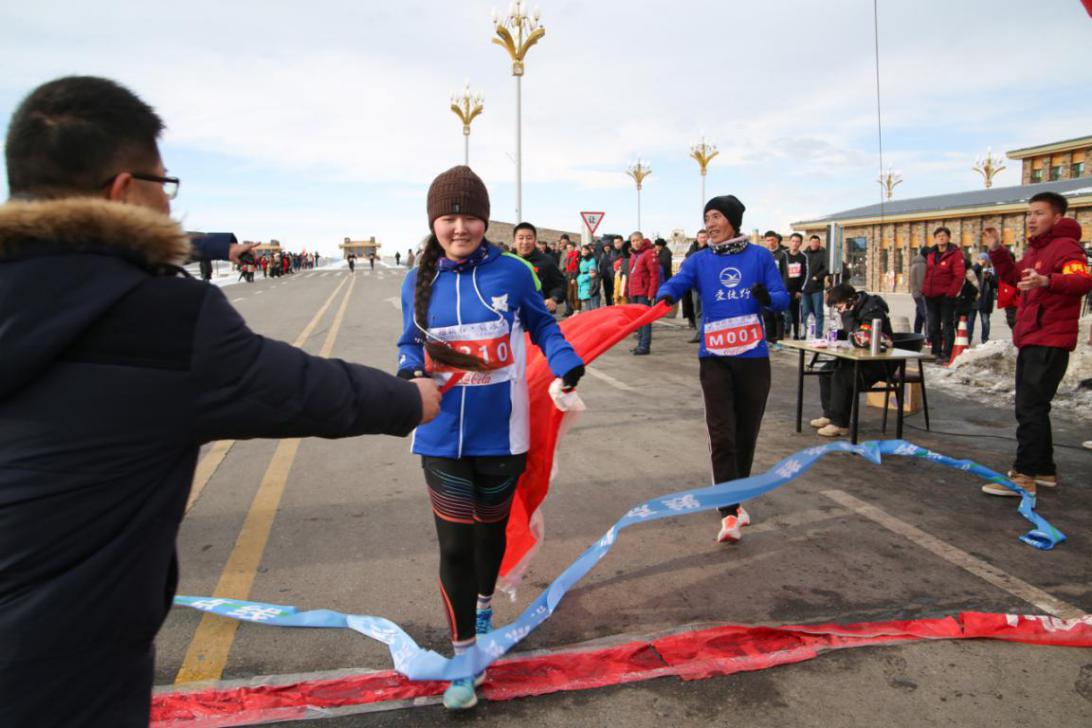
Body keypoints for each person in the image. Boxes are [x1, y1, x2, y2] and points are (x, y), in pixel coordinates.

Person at [0, 75, 441, 728]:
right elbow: (306, 391)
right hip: (65, 665)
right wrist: (412, 400)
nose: (171, 208)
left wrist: (214, 245)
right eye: (165, 186)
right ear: (126, 191)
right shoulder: (160, 319)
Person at [397, 165, 584, 710]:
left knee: (489, 536)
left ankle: (483, 602)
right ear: (434, 222)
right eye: (448, 217)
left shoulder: (512, 272)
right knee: (454, 545)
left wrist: (566, 360)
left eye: (470, 216)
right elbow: (410, 342)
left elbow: (545, 326)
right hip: (439, 436)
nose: (460, 227)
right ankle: (464, 656)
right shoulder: (419, 278)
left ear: (484, 219)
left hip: (502, 437)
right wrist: (409, 371)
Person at [655, 195, 788, 543]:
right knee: (722, 433)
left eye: (716, 216)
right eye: (706, 217)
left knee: (746, 435)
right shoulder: (699, 260)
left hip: (753, 359)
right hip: (714, 358)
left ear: (732, 220)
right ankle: (728, 513)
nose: (710, 223)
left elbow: (782, 298)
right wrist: (665, 295)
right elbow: (678, 281)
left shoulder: (760, 256)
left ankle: (734, 498)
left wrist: (766, 298)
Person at [982, 192, 1092, 496]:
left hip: (1050, 338)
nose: (1031, 219)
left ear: (1057, 217)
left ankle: (1024, 476)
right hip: (1032, 336)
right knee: (1033, 407)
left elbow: (1083, 281)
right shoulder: (1036, 249)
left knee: (1029, 407)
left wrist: (1047, 280)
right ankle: (1043, 470)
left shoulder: (1066, 248)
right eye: (1029, 213)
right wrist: (997, 250)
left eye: (1039, 213)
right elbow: (1014, 276)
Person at [810, 283, 895, 438]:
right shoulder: (855, 308)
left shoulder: (872, 310)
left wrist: (848, 319)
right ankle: (829, 415)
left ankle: (839, 424)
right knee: (826, 371)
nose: (839, 311)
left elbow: (862, 338)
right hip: (859, 359)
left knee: (842, 377)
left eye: (839, 307)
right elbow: (852, 332)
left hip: (878, 363)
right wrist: (836, 334)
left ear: (850, 301)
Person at [922, 227, 964, 362]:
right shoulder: (931, 253)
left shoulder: (955, 254)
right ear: (935, 238)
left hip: (946, 296)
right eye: (938, 235)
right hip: (931, 295)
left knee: (947, 324)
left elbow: (959, 276)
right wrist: (924, 289)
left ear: (949, 238)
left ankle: (947, 353)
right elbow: (928, 273)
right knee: (933, 324)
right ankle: (936, 351)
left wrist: (950, 293)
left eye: (944, 235)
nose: (941, 238)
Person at [512, 222, 566, 313]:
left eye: (529, 238)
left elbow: (560, 284)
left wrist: (553, 299)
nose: (525, 242)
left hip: (539, 313)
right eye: (521, 238)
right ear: (514, 241)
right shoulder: (506, 260)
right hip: (512, 315)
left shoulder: (546, 261)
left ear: (535, 240)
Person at [627, 233, 660, 355]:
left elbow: (654, 275)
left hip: (644, 292)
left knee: (645, 320)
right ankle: (640, 344)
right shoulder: (634, 255)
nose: (635, 243)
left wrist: (651, 293)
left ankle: (644, 346)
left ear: (642, 240)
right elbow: (632, 274)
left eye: (637, 240)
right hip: (634, 291)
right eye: (633, 241)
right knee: (638, 320)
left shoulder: (648, 253)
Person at [761, 231, 787, 346]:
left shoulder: (782, 254)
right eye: (767, 240)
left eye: (772, 240)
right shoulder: (763, 254)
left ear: (776, 240)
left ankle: (779, 340)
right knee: (767, 315)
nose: (770, 242)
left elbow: (786, 273)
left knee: (778, 316)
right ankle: (769, 339)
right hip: (766, 289)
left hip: (778, 289)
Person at [801, 234, 829, 337]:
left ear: (819, 243)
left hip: (817, 288)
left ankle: (818, 334)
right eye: (813, 242)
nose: (814, 244)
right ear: (809, 242)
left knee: (818, 312)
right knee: (805, 313)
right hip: (805, 289)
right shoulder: (804, 254)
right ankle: (805, 333)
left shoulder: (824, 254)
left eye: (816, 242)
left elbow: (827, 268)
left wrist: (818, 277)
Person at [684, 229, 709, 343]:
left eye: (705, 237)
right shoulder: (691, 251)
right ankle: (700, 334)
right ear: (697, 238)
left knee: (708, 310)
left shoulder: (712, 250)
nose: (703, 239)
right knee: (697, 310)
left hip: (708, 286)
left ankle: (708, 334)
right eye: (701, 237)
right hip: (695, 285)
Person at [781, 233, 808, 339]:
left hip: (796, 291)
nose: (795, 243)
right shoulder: (784, 255)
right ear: (790, 242)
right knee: (785, 314)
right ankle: (786, 333)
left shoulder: (803, 256)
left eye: (797, 241)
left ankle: (796, 334)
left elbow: (805, 274)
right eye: (793, 241)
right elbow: (779, 272)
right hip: (784, 290)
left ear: (800, 243)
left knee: (796, 314)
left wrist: (800, 290)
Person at [968, 251, 996, 345]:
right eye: (980, 259)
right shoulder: (975, 268)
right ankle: (968, 339)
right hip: (974, 299)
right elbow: (970, 274)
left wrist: (988, 277)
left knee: (985, 321)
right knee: (970, 321)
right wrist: (978, 265)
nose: (983, 261)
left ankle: (985, 339)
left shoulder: (991, 270)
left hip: (985, 299)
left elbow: (995, 283)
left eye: (984, 259)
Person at [909, 247, 927, 335]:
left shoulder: (916, 263)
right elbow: (921, 281)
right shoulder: (921, 265)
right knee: (927, 316)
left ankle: (917, 334)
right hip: (921, 294)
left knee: (919, 315)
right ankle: (929, 337)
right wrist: (925, 292)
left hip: (916, 293)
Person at [577, 244, 600, 310]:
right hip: (583, 285)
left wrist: (581, 278)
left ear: (589, 251)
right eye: (582, 250)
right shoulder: (582, 260)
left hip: (589, 285)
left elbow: (592, 274)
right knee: (588, 308)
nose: (584, 251)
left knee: (593, 308)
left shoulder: (591, 260)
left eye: (586, 250)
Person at [597, 237, 617, 306]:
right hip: (605, 278)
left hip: (613, 277)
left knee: (614, 293)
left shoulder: (613, 254)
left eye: (608, 246)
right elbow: (600, 266)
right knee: (607, 293)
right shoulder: (602, 255)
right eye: (605, 247)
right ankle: (609, 306)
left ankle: (615, 306)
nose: (606, 248)